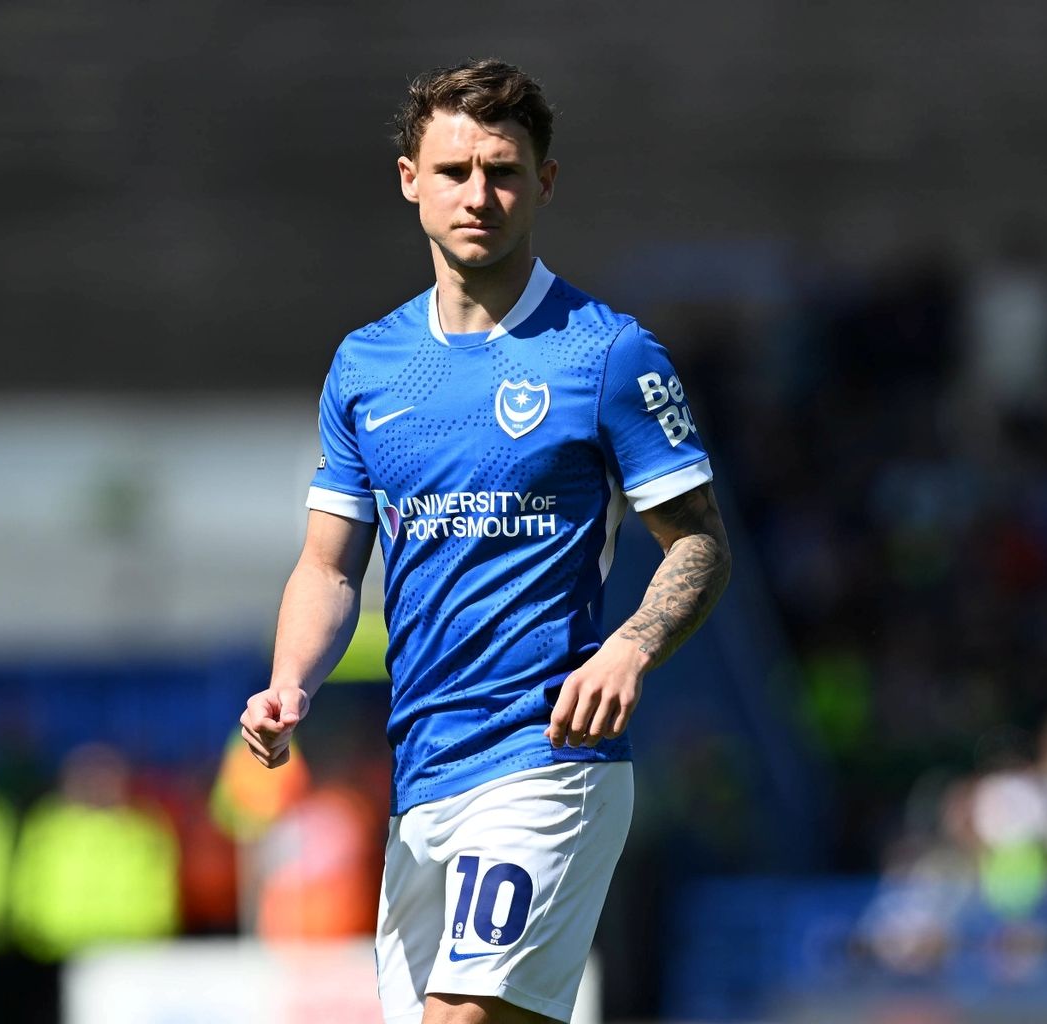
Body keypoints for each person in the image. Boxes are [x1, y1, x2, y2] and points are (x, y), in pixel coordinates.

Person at [240, 59, 731, 1024]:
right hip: (423, 772)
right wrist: (290, 681)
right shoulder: (367, 365)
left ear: (543, 183)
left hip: (548, 757)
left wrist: (630, 648)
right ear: (409, 180)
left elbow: (701, 543)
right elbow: (329, 566)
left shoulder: (607, 352)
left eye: (503, 171)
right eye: (455, 170)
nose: (479, 194)